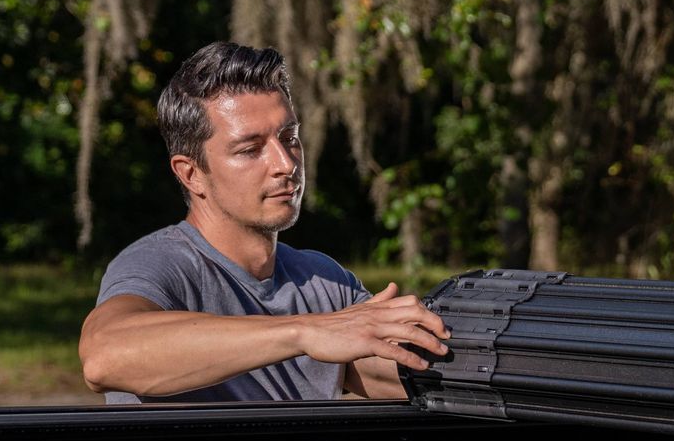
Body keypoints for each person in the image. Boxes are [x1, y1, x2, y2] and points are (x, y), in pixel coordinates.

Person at [78, 42, 449, 403]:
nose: (286, 164)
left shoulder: (323, 281)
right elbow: (105, 356)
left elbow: (405, 371)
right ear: (191, 174)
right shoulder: (162, 264)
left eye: (290, 139)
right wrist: (305, 331)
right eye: (250, 149)